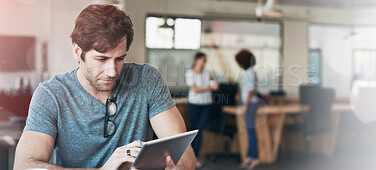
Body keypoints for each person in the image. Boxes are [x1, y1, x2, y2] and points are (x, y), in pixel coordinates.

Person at [13, 4, 196, 170]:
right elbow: (25, 166)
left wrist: (177, 168)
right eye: (101, 59)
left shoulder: (147, 79)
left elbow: (183, 152)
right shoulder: (51, 94)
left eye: (119, 59)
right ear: (78, 52)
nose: (112, 71)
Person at [185, 52, 218, 167]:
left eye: (206, 60)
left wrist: (214, 84)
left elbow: (215, 83)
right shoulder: (190, 73)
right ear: (197, 60)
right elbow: (195, 89)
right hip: (194, 104)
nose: (204, 62)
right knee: (193, 130)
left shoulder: (207, 72)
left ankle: (197, 156)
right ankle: (191, 155)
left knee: (200, 130)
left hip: (206, 104)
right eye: (203, 60)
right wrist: (209, 87)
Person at [235, 49, 261, 170]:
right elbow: (247, 89)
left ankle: (254, 158)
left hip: (250, 104)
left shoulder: (250, 73)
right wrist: (240, 95)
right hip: (246, 102)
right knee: (248, 132)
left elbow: (250, 91)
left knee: (251, 132)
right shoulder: (248, 72)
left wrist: (245, 105)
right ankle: (249, 157)